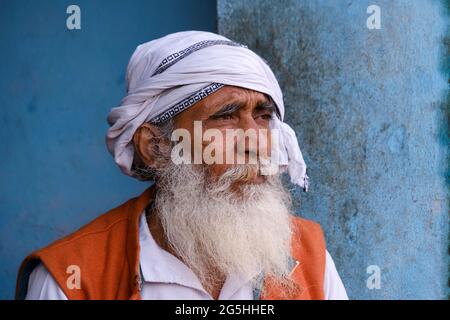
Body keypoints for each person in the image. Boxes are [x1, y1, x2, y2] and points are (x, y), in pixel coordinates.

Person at [16, 31, 348, 300]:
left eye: (262, 117)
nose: (256, 143)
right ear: (156, 148)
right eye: (225, 116)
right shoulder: (71, 278)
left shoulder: (310, 258)